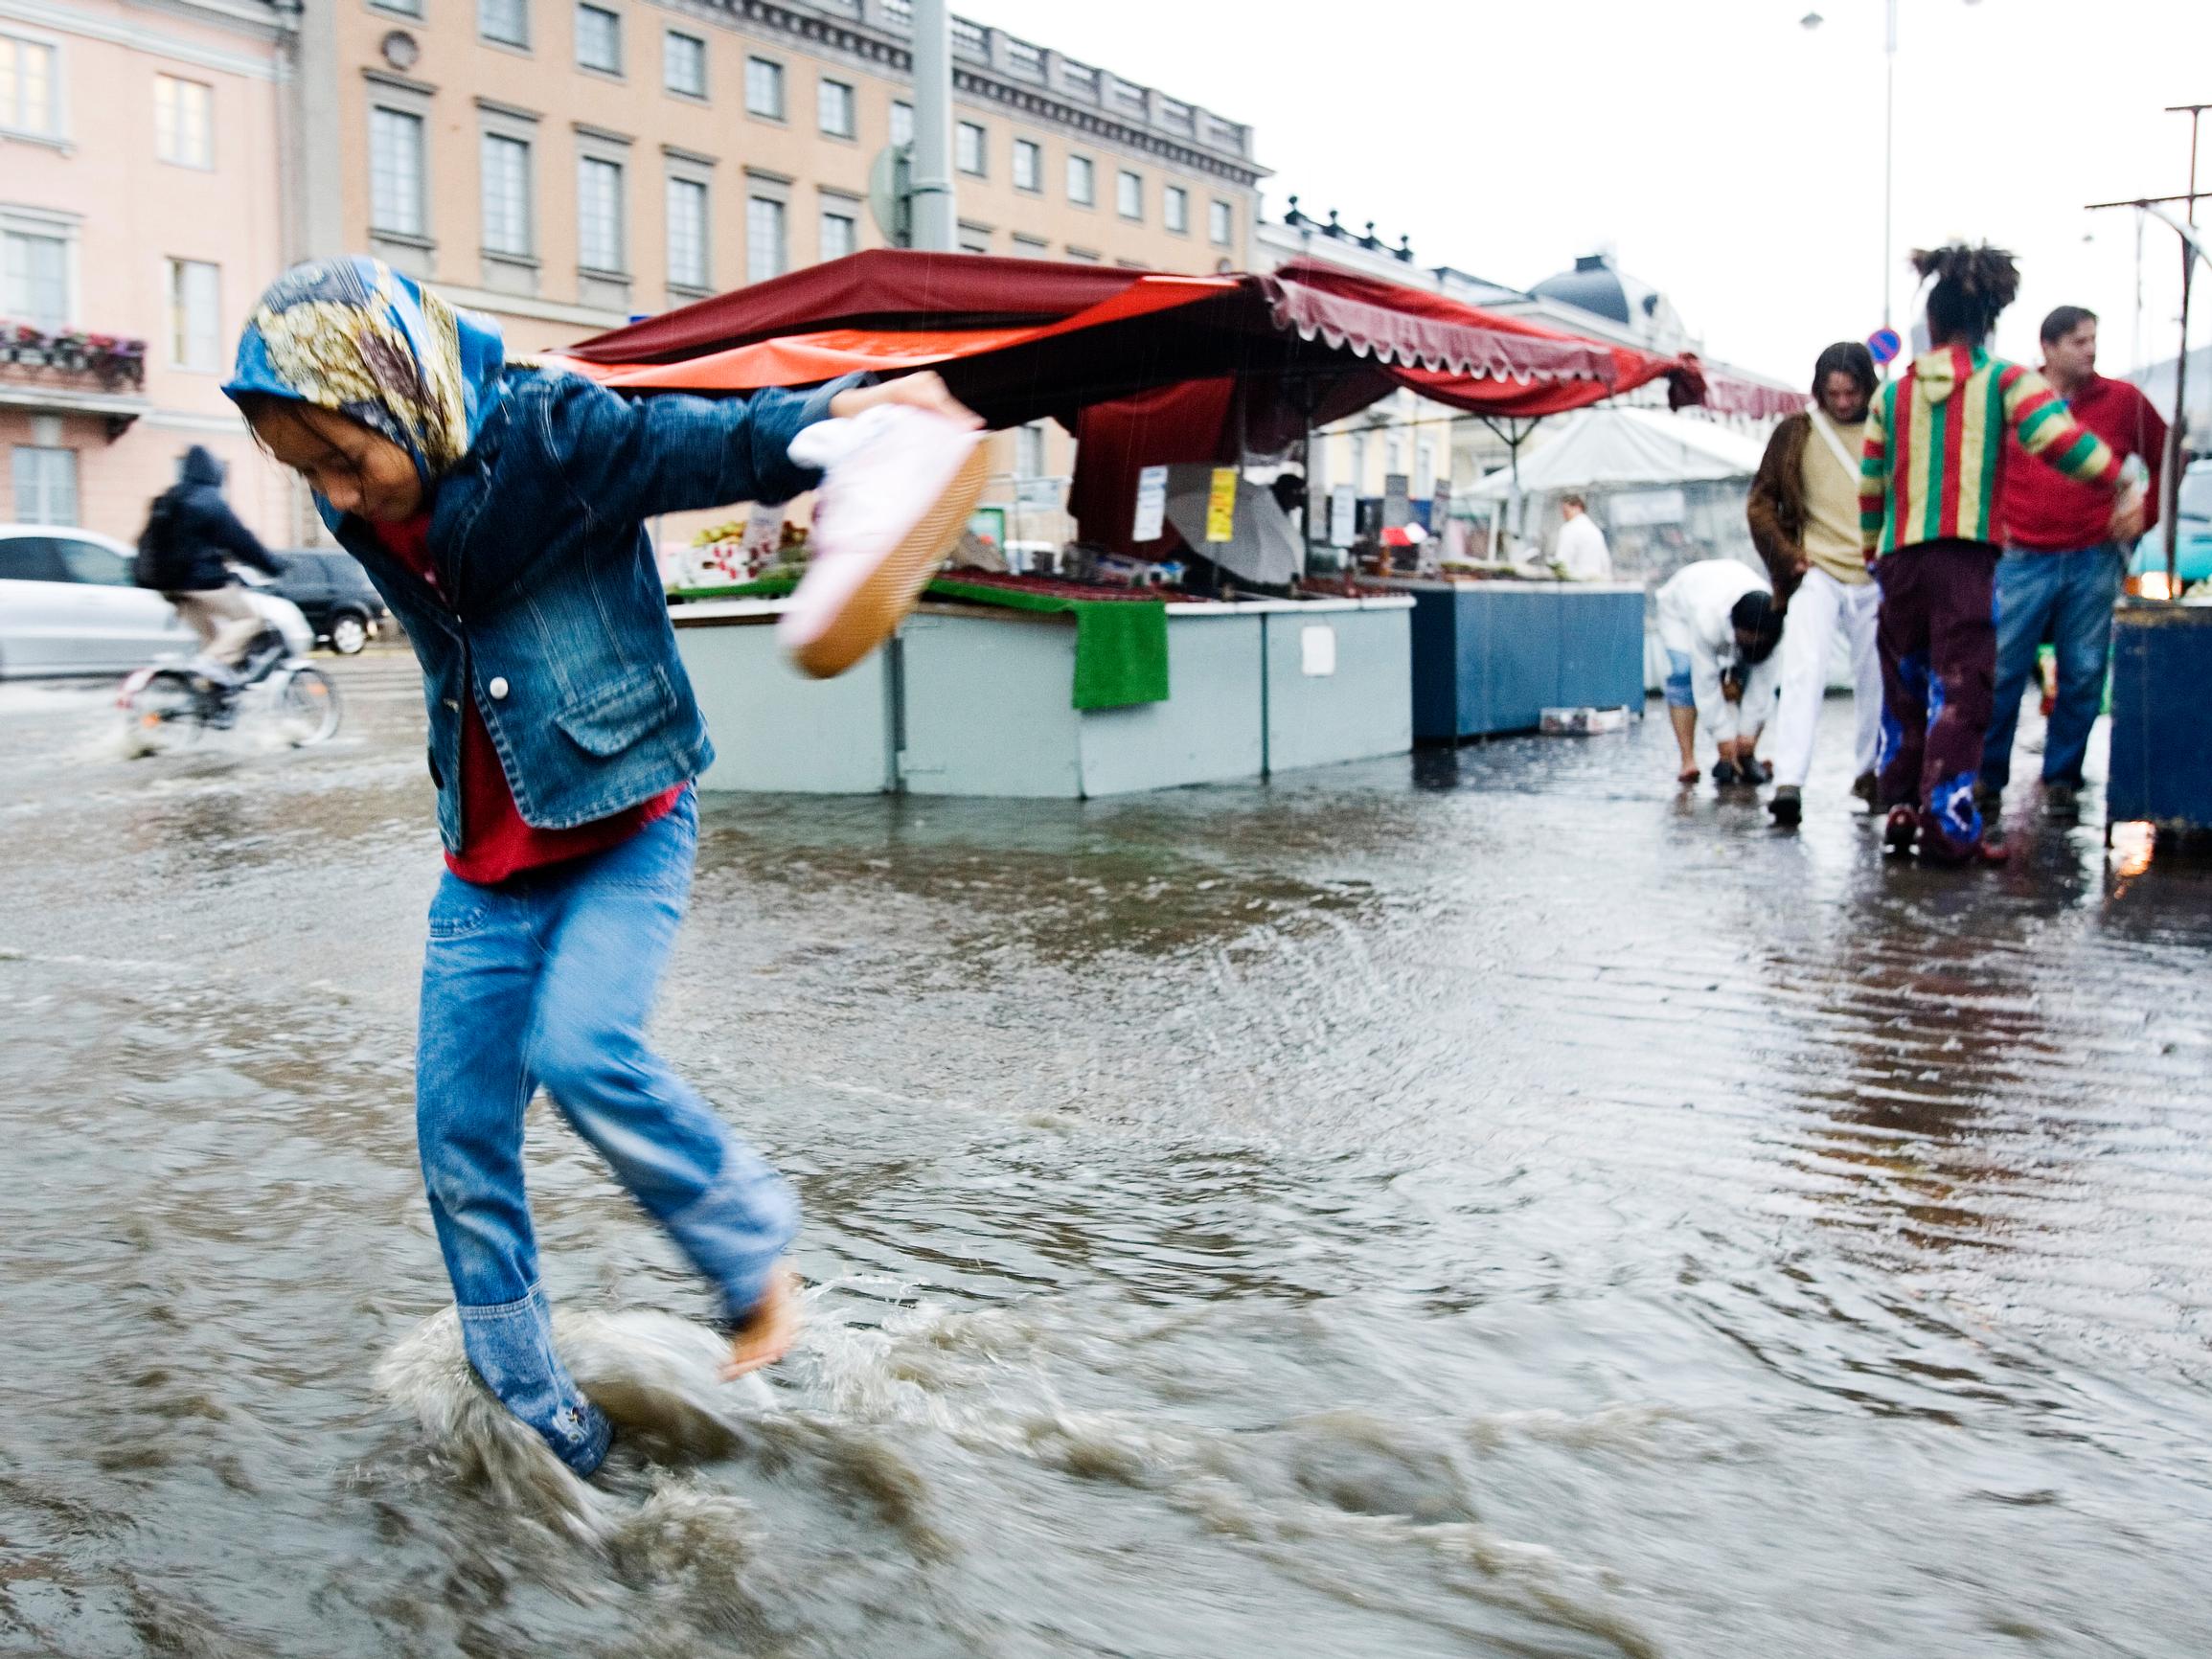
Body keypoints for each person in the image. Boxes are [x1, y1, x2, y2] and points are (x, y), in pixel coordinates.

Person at [222, 257, 978, 1478]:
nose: (332, 492)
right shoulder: (357, 501)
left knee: (582, 1050)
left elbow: (712, 442)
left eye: (340, 455)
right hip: (485, 852)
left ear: (400, 392)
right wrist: (346, 480)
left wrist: (852, 418)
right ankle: (541, 1422)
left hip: (627, 820)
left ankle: (753, 1267)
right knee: (457, 1133)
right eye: (305, 468)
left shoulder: (553, 434)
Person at [1859, 244, 2137, 864]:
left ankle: (1899, 805)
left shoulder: (1888, 398)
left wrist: (1868, 550)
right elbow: (2059, 441)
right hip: (1966, 561)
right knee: (1963, 689)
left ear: (1929, 325)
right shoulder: (2005, 381)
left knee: (1904, 682)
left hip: (1899, 560)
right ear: (1987, 323)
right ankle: (1948, 826)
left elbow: (1870, 484)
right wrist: (2117, 477)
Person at [1980, 306, 2165, 824]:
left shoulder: (2123, 401)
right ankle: (1986, 778)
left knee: (2083, 673)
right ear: (2048, 347)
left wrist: (2146, 512)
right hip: (2019, 557)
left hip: (2093, 554)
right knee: (2000, 671)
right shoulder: (2015, 399)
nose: (2090, 350)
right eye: (2078, 342)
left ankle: (2061, 777)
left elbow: (2172, 449)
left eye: (2093, 339)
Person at [1747, 343, 1884, 827]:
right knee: (1803, 672)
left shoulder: (1887, 429)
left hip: (1875, 572)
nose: (1843, 402)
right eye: (1833, 393)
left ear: (1867, 387)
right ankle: (1789, 782)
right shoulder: (1795, 433)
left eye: (1851, 392)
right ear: (1819, 391)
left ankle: (1871, 774)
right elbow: (1760, 502)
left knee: (1877, 681)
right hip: (1817, 570)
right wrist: (1787, 558)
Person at [135, 443, 285, 679]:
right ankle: (207, 667)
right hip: (201, 583)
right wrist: (273, 566)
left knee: (212, 639)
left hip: (166, 585)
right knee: (250, 620)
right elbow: (242, 542)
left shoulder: (171, 498)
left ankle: (209, 698)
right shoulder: (209, 501)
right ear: (213, 472)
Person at [1654, 558, 1784, 787]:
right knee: (1683, 673)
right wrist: (1722, 736)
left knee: (1749, 676)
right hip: (1681, 611)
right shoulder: (1708, 620)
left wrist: (1747, 733)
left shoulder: (1775, 624)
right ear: (1736, 627)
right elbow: (1705, 682)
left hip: (1725, 589)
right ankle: (1688, 760)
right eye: (1748, 638)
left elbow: (1763, 685)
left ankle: (1746, 754)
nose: (1753, 643)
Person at [1553, 492, 1611, 580]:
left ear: (1578, 507)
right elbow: (1606, 563)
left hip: (1575, 585)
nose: (1564, 515)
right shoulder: (1595, 530)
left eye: (1566, 511)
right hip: (1596, 584)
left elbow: (1561, 564)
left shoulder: (1568, 529)